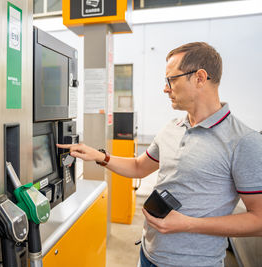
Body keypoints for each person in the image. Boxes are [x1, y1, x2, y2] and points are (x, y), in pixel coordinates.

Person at [57, 42, 262, 267]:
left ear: (200, 78)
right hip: (148, 254)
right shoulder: (172, 127)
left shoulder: (243, 141)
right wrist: (99, 156)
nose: (165, 89)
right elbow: (138, 167)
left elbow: (258, 220)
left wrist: (188, 224)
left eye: (171, 80)